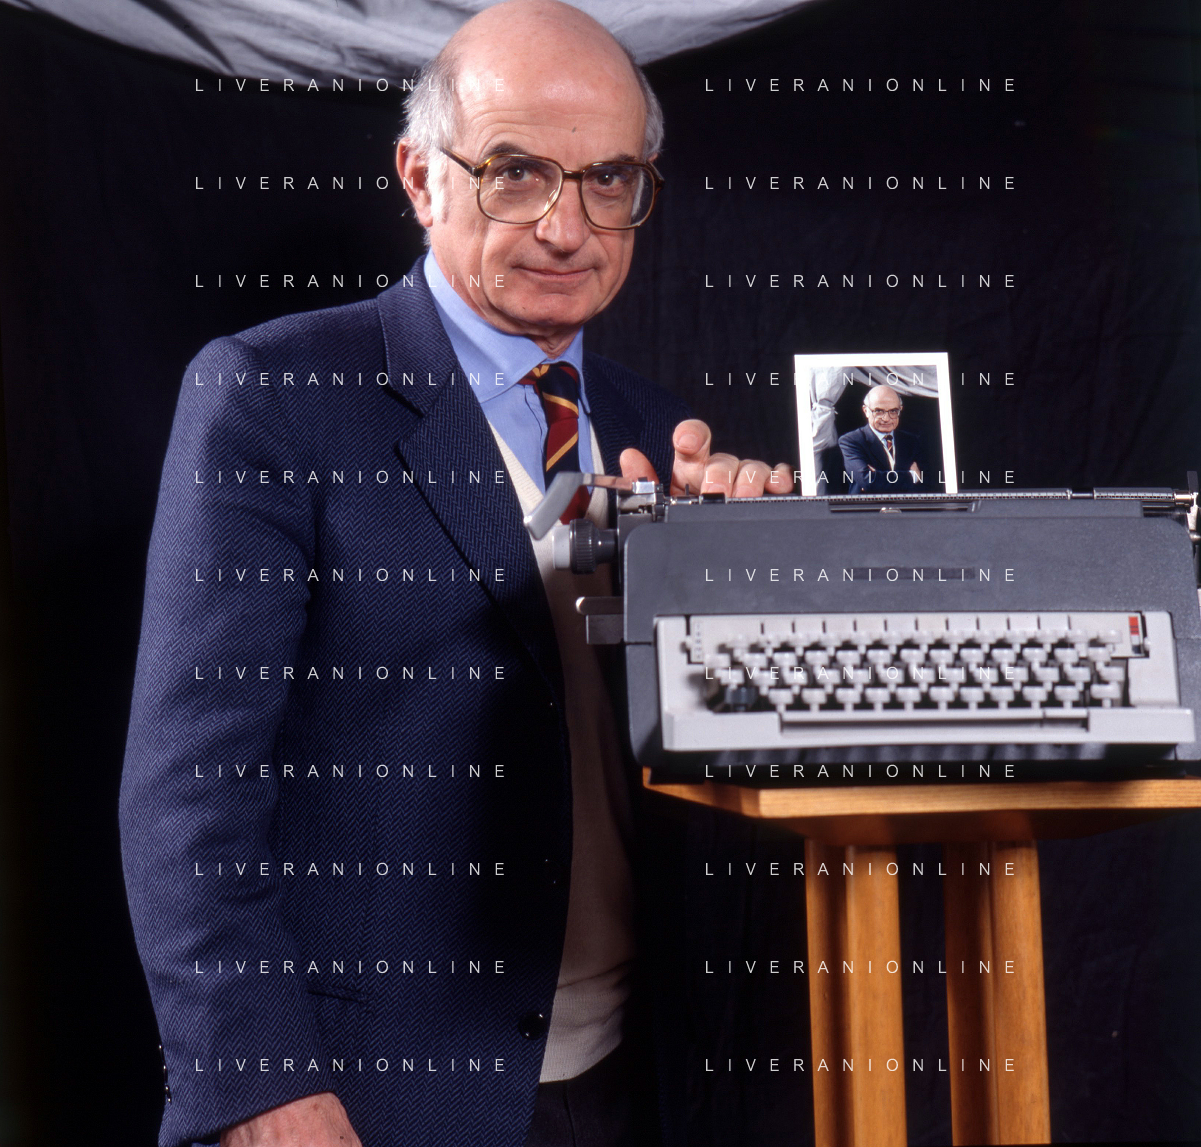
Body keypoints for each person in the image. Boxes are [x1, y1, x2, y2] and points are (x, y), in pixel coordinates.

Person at [118, 3, 792, 1146]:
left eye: (608, 179)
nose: (566, 228)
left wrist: (758, 582)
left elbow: (713, 767)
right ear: (421, 179)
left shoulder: (656, 430)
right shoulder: (272, 396)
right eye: (515, 173)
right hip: (371, 1091)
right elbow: (189, 792)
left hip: (643, 1074)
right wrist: (259, 1085)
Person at [837, 383, 926, 494]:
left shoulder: (912, 441)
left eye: (893, 411)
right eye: (879, 411)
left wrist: (878, 478)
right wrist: (911, 476)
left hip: (906, 504)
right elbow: (868, 481)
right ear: (866, 411)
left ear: (900, 410)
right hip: (867, 505)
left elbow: (926, 483)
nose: (886, 419)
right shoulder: (851, 441)